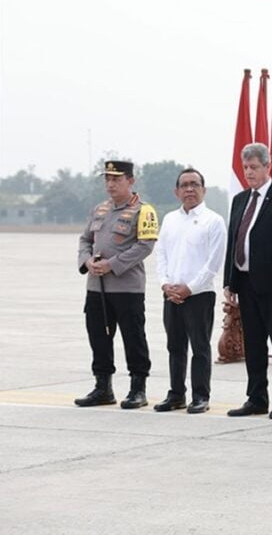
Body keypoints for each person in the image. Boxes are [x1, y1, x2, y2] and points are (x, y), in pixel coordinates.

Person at [223, 143, 272, 420]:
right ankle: (256, 397)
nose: (249, 172)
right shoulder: (239, 200)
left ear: (268, 167)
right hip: (245, 282)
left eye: (254, 167)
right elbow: (234, 241)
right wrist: (229, 282)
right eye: (245, 167)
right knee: (254, 344)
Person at [75, 160, 159, 409]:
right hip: (96, 286)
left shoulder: (144, 211)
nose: (110, 184)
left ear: (130, 181)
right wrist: (87, 260)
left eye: (116, 179)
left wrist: (112, 264)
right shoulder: (99, 209)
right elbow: (85, 239)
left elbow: (145, 246)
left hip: (127, 288)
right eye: (107, 179)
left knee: (133, 337)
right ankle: (103, 387)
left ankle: (138, 388)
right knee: (98, 337)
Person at [153, 168, 226, 414]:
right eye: (184, 185)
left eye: (195, 184)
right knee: (175, 347)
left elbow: (213, 263)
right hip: (171, 294)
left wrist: (190, 288)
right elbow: (161, 254)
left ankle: (200, 396)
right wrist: (165, 284)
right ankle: (176, 394)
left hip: (199, 295)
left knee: (200, 347)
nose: (189, 189)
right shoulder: (170, 219)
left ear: (203, 190)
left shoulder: (213, 221)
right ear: (176, 191)